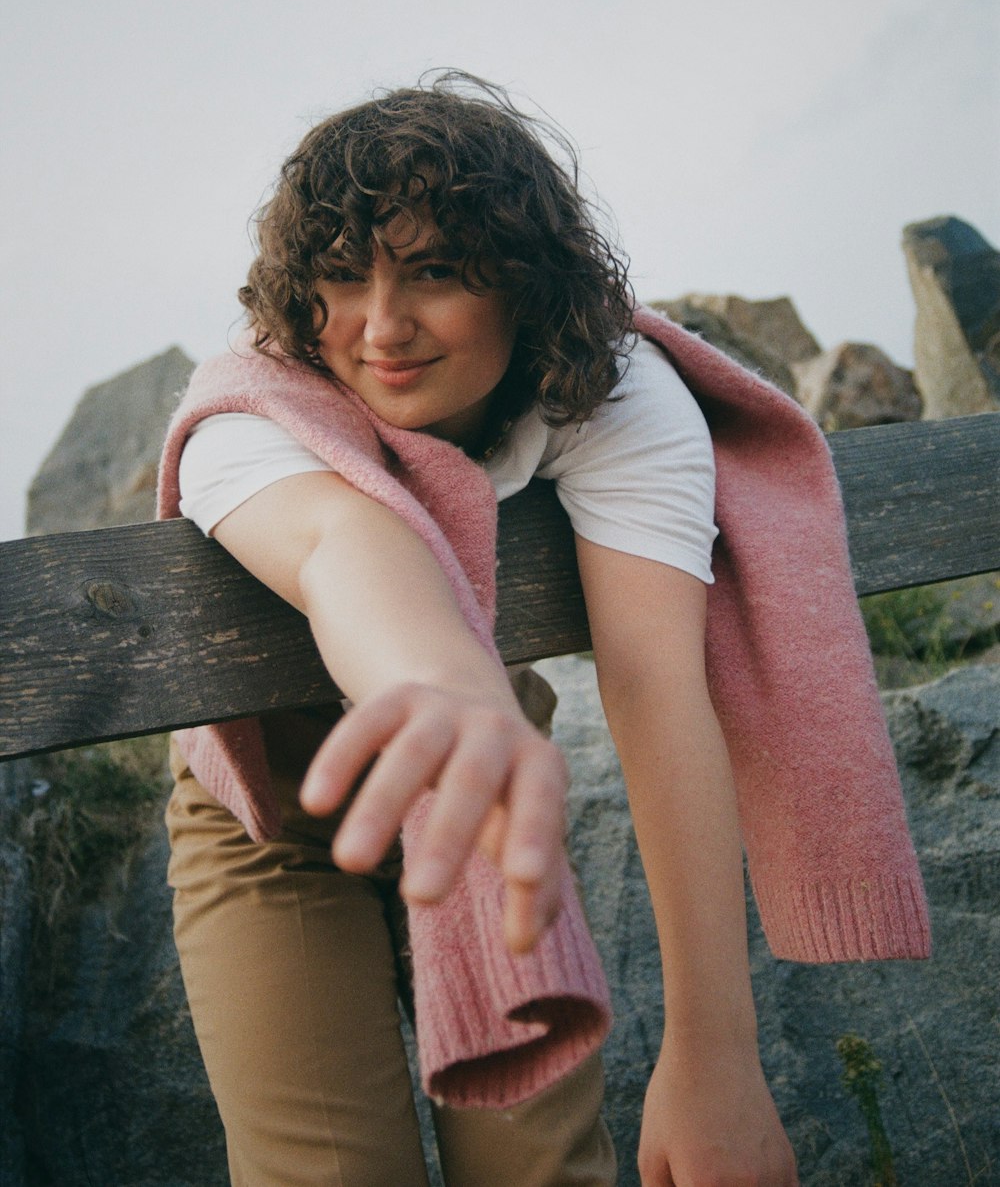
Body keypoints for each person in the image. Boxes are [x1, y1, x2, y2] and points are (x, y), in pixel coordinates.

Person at [157, 72, 929, 1187]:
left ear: (523, 279)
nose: (381, 326)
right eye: (341, 275)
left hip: (492, 775)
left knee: (542, 1165)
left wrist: (715, 1056)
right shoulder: (251, 407)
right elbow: (343, 547)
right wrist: (448, 690)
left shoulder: (611, 392)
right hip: (277, 809)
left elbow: (661, 685)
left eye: (432, 270)